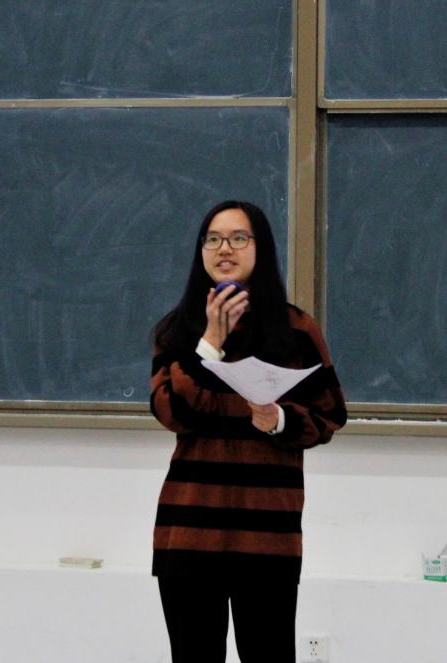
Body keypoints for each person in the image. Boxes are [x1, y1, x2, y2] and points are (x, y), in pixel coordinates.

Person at [149, 200, 347, 662]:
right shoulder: (176, 331)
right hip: (189, 529)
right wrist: (210, 344)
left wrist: (279, 421)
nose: (225, 249)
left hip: (267, 532)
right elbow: (170, 411)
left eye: (239, 238)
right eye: (213, 239)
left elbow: (330, 414)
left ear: (261, 248)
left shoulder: (297, 329)